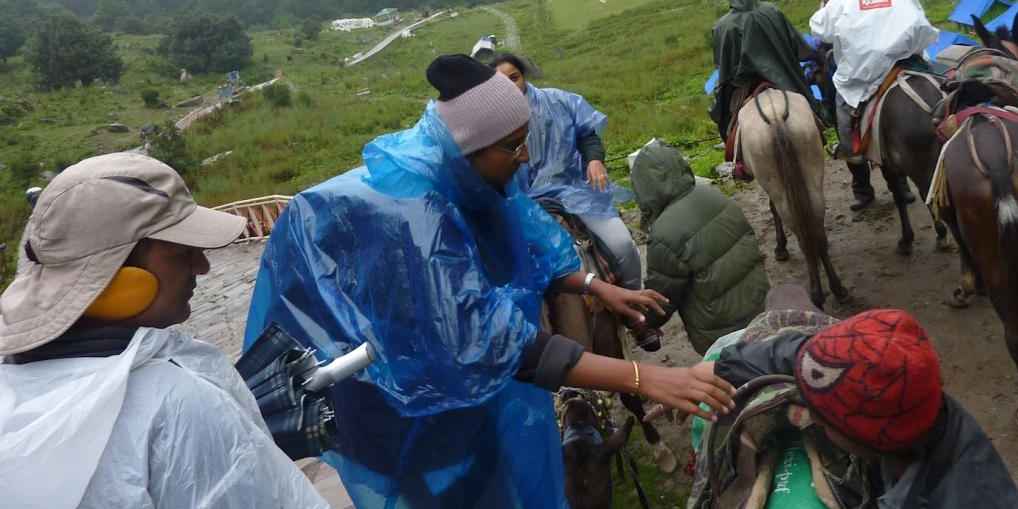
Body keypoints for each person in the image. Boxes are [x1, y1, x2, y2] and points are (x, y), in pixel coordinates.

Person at [244, 54, 736, 507]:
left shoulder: (467, 177)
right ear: (467, 149)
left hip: (455, 372)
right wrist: (644, 377)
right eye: (513, 146)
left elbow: (526, 240)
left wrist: (594, 285)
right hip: (401, 397)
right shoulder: (420, 218)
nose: (525, 157)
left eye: (526, 139)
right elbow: (495, 344)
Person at [0, 152, 326, 509]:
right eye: (181, 254)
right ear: (116, 278)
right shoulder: (174, 402)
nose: (202, 266)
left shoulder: (12, 392)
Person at [704, 307, 1018, 507]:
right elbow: (804, 356)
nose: (812, 415)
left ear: (867, 442)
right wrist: (721, 367)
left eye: (821, 416)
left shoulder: (972, 498)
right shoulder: (908, 402)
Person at [490, 52, 643, 294]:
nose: (510, 85)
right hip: (524, 205)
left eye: (514, 77)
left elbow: (587, 135)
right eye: (501, 82)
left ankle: (636, 301)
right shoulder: (490, 122)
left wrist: (594, 161)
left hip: (574, 189)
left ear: (524, 76)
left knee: (622, 244)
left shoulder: (559, 101)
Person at [809, 0, 938, 207]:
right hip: (910, 64)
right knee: (939, 86)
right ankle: (902, 185)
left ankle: (855, 163)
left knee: (843, 111)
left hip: (865, 77)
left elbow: (819, 31)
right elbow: (921, 20)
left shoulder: (842, 0)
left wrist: (826, 7)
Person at [629, 140, 768, 355]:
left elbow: (663, 298)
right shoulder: (716, 196)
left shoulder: (664, 234)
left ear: (643, 186)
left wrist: (645, 321)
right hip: (760, 306)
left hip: (721, 330)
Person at [710, 0, 822, 143]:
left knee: (725, 121)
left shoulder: (722, 27)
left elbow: (721, 66)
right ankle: (822, 123)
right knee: (810, 106)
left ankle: (734, 157)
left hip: (744, 86)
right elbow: (800, 48)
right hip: (783, 79)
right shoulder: (772, 11)